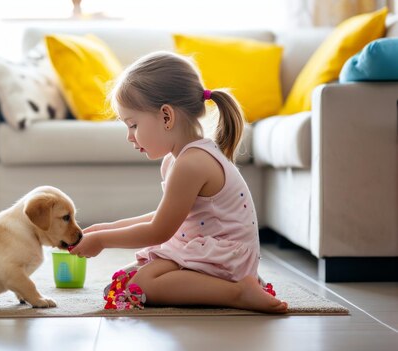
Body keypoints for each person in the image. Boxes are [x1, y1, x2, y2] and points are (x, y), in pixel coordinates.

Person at [69, 51, 288, 313]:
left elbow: (158, 231)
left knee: (143, 284)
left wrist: (104, 240)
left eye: (133, 124)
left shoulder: (192, 163)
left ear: (166, 116)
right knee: (130, 281)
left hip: (225, 256)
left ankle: (238, 291)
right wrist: (107, 228)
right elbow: (166, 216)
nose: (129, 136)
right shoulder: (177, 160)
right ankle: (230, 287)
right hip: (203, 246)